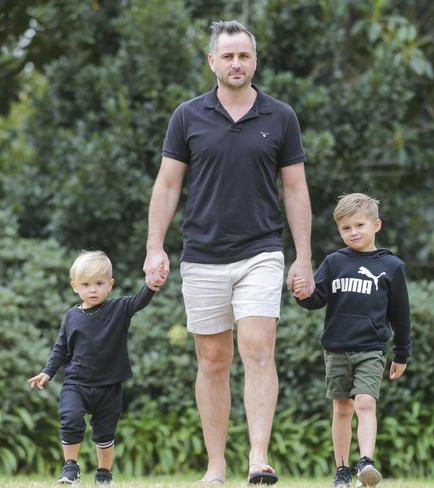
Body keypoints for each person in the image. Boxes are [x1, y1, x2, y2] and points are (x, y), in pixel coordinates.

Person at [143, 20, 314, 485]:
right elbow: (168, 184)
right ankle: (215, 465)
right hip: (202, 254)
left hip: (262, 250)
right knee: (213, 361)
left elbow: (296, 190)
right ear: (212, 62)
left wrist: (302, 256)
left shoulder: (280, 116)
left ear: (254, 61)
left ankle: (258, 457)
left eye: (244, 56)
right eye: (228, 56)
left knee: (258, 350)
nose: (236, 63)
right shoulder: (187, 116)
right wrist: (154, 248)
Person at [292, 193, 412, 488]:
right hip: (336, 349)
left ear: (376, 225)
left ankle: (366, 463)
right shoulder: (333, 262)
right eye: (346, 228)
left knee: (365, 403)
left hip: (371, 348)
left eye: (359, 225)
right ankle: (343, 470)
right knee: (341, 408)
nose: (353, 232)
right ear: (339, 231)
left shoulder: (391, 266)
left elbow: (401, 314)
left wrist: (401, 353)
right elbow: (316, 299)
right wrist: (301, 293)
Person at [28, 250, 158, 485]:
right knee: (70, 418)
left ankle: (104, 473)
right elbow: (60, 348)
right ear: (74, 286)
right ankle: (70, 468)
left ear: (110, 284)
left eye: (99, 283)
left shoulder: (119, 309)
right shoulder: (71, 317)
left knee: (104, 434)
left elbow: (141, 299)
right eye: (86, 284)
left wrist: (152, 284)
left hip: (109, 386)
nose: (93, 289)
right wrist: (48, 372)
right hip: (76, 383)